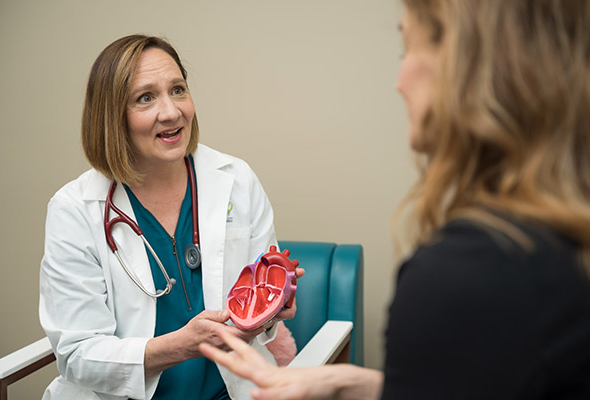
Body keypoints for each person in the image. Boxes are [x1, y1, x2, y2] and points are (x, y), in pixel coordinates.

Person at [199, 0, 590, 398]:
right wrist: (353, 383)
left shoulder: (463, 273)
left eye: (409, 52)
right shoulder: (554, 243)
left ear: (465, 71)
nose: (399, 81)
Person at [39, 34, 303, 400]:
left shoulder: (236, 179)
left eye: (178, 89)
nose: (171, 112)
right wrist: (181, 345)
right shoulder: (75, 209)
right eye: (146, 98)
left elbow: (258, 308)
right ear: (112, 117)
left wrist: (270, 308)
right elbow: (78, 354)